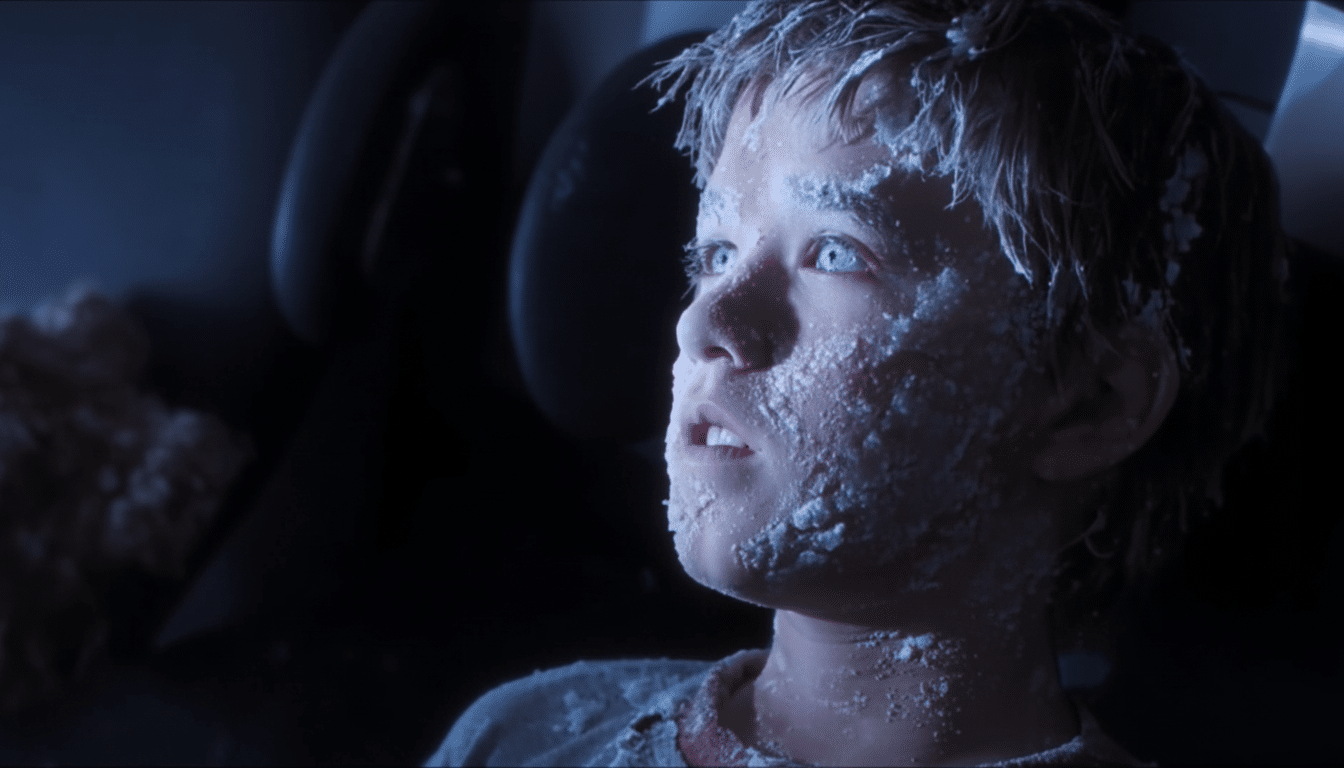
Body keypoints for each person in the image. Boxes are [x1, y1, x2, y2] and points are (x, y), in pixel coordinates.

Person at [426, 0, 1288, 765]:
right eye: (716, 254)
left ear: (1090, 403)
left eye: (836, 253)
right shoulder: (526, 734)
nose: (705, 323)